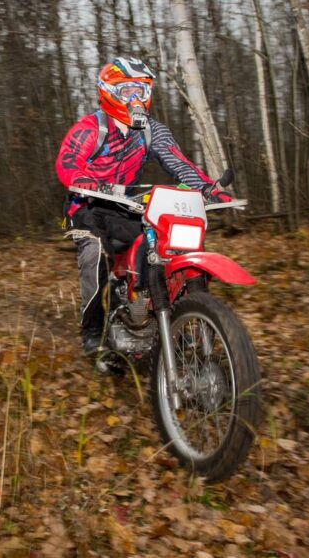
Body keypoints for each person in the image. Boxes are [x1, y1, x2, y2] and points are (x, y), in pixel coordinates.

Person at [54, 56, 231, 355]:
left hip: (125, 206)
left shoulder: (152, 131)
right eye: (126, 91)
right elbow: (68, 160)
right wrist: (83, 179)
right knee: (96, 253)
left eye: (141, 91)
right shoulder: (90, 128)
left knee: (162, 244)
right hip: (87, 207)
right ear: (107, 92)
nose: (135, 99)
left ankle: (164, 316)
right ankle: (93, 332)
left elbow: (178, 162)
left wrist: (207, 188)